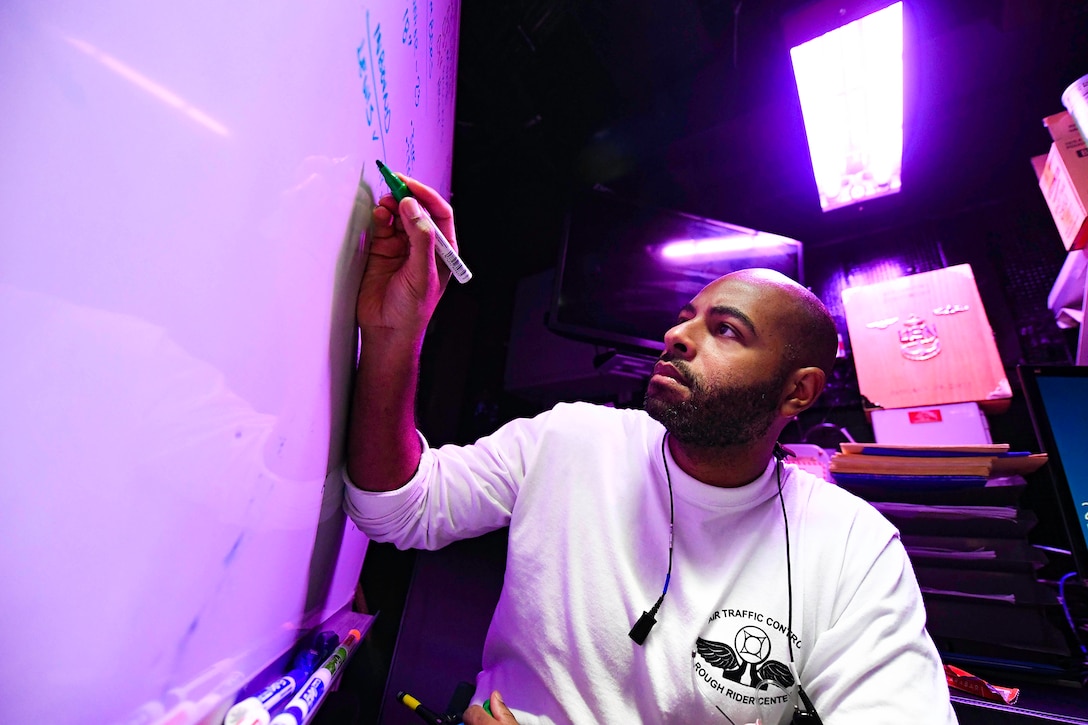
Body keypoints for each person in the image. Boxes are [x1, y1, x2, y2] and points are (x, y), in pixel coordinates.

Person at [342, 175, 958, 725]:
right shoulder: (570, 438)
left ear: (798, 391)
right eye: (686, 317)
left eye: (725, 330)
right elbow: (394, 510)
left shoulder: (853, 545)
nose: (676, 335)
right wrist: (397, 333)